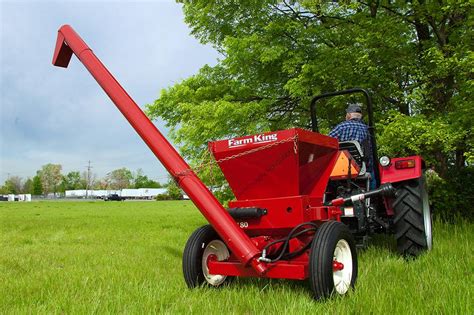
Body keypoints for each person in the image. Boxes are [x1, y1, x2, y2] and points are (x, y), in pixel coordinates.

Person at [329, 103, 374, 186]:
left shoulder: (341, 127)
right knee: (375, 175)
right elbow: (370, 152)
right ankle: (374, 196)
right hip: (361, 169)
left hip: (339, 169)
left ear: (349, 115)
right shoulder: (367, 130)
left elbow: (327, 143)